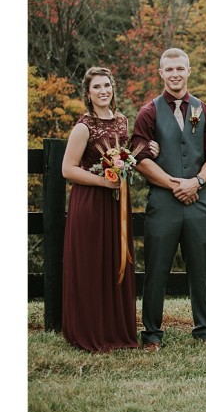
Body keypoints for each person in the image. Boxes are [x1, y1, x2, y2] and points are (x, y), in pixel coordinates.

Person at [131, 48, 206, 350]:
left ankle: (205, 331)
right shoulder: (148, 112)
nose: (175, 74)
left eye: (180, 68)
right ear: (161, 73)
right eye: (169, 69)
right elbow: (140, 159)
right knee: (156, 269)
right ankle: (152, 334)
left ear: (188, 71)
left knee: (201, 268)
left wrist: (196, 182)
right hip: (163, 202)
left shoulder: (205, 111)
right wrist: (175, 185)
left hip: (198, 200)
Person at [60, 67, 140, 353]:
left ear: (113, 89)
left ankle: (115, 329)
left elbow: (128, 155)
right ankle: (90, 331)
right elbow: (67, 169)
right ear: (88, 92)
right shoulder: (84, 126)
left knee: (115, 260)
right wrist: (103, 182)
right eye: (97, 87)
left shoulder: (122, 121)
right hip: (91, 202)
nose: (103, 91)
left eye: (107, 85)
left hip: (117, 203)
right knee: (92, 263)